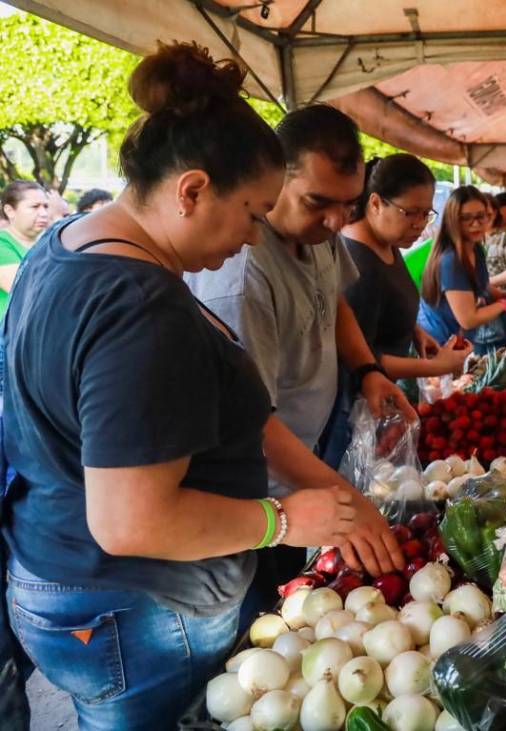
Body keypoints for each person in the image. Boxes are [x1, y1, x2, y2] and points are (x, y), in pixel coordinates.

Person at [0, 43, 358, 728]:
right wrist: (283, 520)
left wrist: (336, 494)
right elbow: (132, 519)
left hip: (64, 576)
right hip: (130, 607)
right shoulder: (142, 307)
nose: (255, 239)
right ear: (192, 189)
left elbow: (237, 409)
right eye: (253, 214)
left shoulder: (72, 242)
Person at [186, 104, 411, 605]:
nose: (335, 220)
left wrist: (368, 369)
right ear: (273, 178)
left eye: (348, 205)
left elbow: (333, 302)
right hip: (256, 488)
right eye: (318, 202)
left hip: (309, 458)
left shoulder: (319, 236)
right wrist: (346, 501)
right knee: (264, 609)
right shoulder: (242, 274)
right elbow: (249, 423)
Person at [320, 155, 472, 468]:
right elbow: (362, 357)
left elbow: (390, 302)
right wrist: (436, 367)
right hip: (357, 413)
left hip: (382, 404)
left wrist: (416, 333)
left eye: (425, 214)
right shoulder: (358, 265)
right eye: (409, 213)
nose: (419, 224)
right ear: (375, 203)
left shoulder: (386, 243)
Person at [418, 186, 506, 355]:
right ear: (453, 220)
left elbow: (482, 285)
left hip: (459, 343)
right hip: (437, 347)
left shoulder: (476, 249)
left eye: (481, 216)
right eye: (466, 218)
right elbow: (468, 319)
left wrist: (505, 296)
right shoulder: (451, 261)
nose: (476, 224)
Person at [0, 181, 50, 318]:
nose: (44, 213)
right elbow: (25, 289)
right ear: (9, 211)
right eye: (35, 207)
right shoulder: (2, 243)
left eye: (46, 206)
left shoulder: (49, 242)